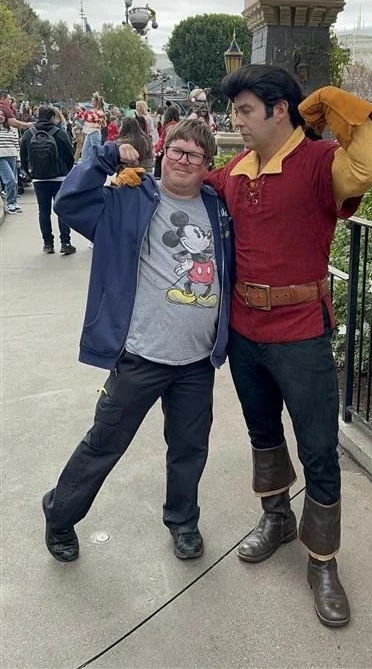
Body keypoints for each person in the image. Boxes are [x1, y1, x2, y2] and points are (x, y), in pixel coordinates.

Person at [203, 66, 372, 628]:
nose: (235, 121)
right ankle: (277, 517)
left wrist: (337, 104)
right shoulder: (238, 167)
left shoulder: (318, 163)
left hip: (302, 330)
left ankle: (323, 561)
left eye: (244, 111)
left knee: (319, 449)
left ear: (280, 110)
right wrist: (133, 172)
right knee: (263, 434)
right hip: (244, 332)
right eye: (234, 111)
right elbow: (193, 184)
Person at [42, 118, 233, 564]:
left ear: (207, 164)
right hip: (139, 355)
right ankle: (60, 514)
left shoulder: (219, 208)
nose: (184, 160)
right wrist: (105, 154)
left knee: (189, 448)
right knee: (104, 442)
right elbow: (70, 203)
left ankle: (183, 522)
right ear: (163, 153)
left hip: (196, 361)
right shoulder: (128, 198)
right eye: (178, 151)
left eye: (196, 155)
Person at [20, 104, 76, 255]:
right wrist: (67, 172)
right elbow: (70, 156)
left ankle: (48, 244)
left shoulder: (28, 134)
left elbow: (24, 157)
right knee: (62, 210)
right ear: (52, 117)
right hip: (60, 177)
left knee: (43, 211)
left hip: (39, 179)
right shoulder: (60, 133)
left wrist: (30, 174)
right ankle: (65, 242)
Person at [0, 108, 21, 214]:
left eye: (3, 115)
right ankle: (9, 202)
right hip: (1, 157)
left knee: (15, 181)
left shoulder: (11, 129)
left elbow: (16, 144)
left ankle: (14, 202)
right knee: (10, 180)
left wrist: (18, 159)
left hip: (12, 155)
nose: (1, 116)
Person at [154, 105, 180, 179]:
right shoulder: (175, 125)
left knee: (159, 174)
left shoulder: (171, 125)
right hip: (167, 150)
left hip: (164, 151)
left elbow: (166, 139)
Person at [80, 92, 105, 162]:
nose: (91, 102)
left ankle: (99, 167)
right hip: (90, 132)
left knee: (96, 153)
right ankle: (83, 167)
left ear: (97, 102)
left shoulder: (100, 112)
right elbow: (84, 117)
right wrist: (80, 113)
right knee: (85, 153)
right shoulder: (92, 111)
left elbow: (90, 118)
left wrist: (82, 112)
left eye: (93, 101)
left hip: (94, 133)